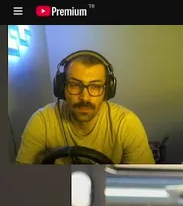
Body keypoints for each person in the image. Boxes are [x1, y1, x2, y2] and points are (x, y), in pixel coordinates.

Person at [15, 50, 154, 165]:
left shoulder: (127, 123)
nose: (85, 97)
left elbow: (142, 181)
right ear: (61, 88)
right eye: (75, 85)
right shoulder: (42, 121)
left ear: (107, 91)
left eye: (95, 86)